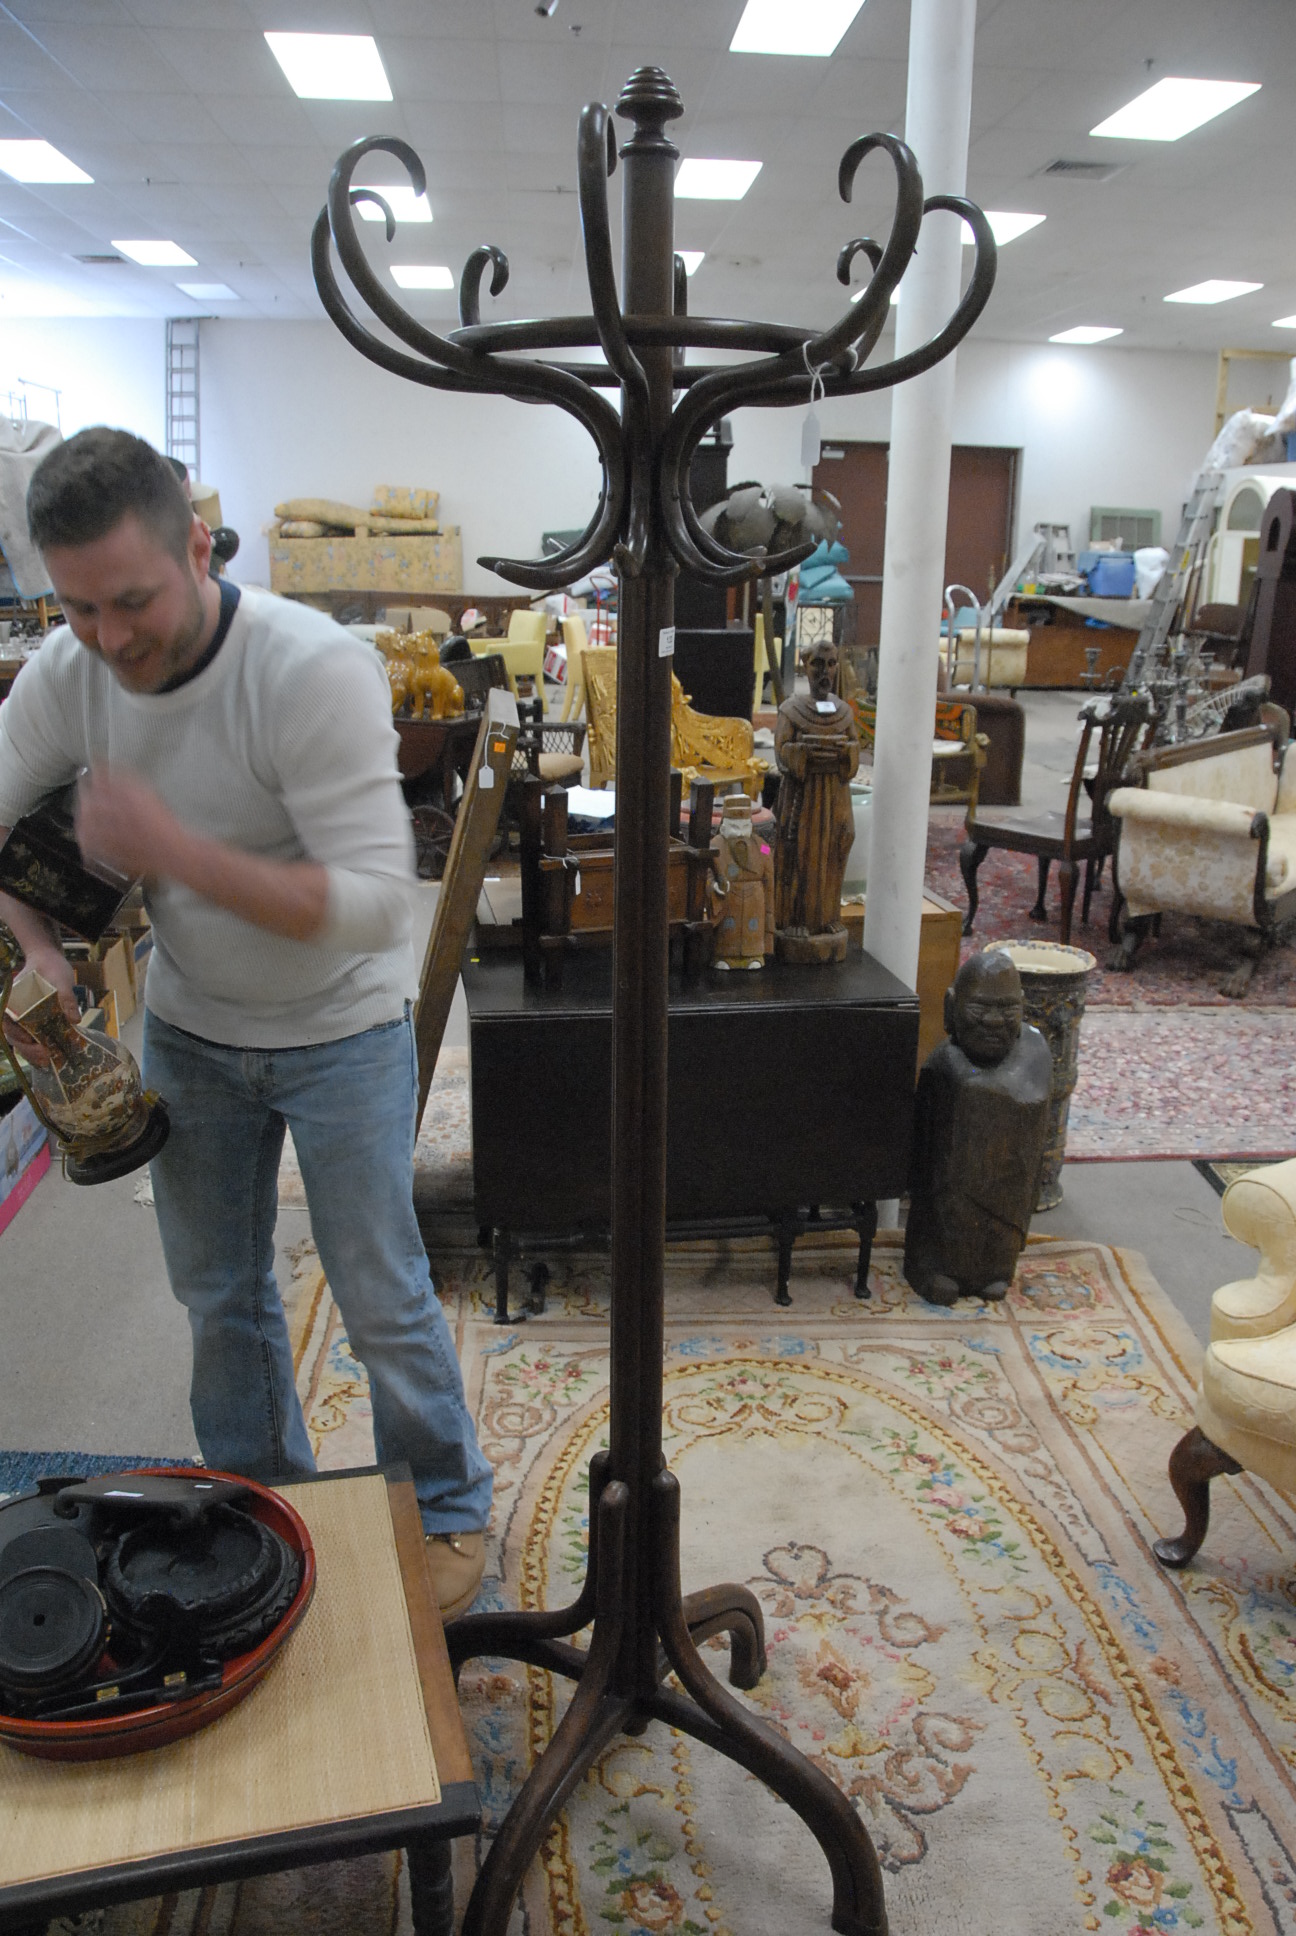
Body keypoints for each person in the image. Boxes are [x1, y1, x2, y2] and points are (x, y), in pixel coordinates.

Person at [0, 428, 492, 1618]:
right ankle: (265, 1503)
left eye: (132, 601)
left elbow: (377, 904)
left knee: (379, 1293)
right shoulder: (68, 672)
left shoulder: (310, 669)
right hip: (193, 1027)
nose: (109, 638)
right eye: (77, 607)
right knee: (219, 1294)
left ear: (200, 549)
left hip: (342, 1028)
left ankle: (443, 1502)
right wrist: (37, 949)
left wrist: (173, 851)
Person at [903, 950, 1052, 1307]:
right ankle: (934, 1269)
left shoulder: (1035, 1055)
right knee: (946, 1217)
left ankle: (993, 1271)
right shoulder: (943, 1065)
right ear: (951, 1007)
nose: (994, 1021)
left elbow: (1039, 1135)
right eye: (978, 1008)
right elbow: (920, 1148)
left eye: (1007, 1009)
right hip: (949, 1199)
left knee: (1001, 1233)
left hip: (1008, 1191)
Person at [771, 637, 859, 963]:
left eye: (831, 664)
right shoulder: (792, 711)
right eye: (818, 664)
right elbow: (782, 752)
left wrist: (845, 752)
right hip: (803, 797)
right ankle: (794, 919)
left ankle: (828, 916)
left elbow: (854, 752)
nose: (825, 672)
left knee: (837, 847)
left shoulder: (844, 712)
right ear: (804, 667)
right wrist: (803, 752)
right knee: (799, 852)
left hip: (835, 796)